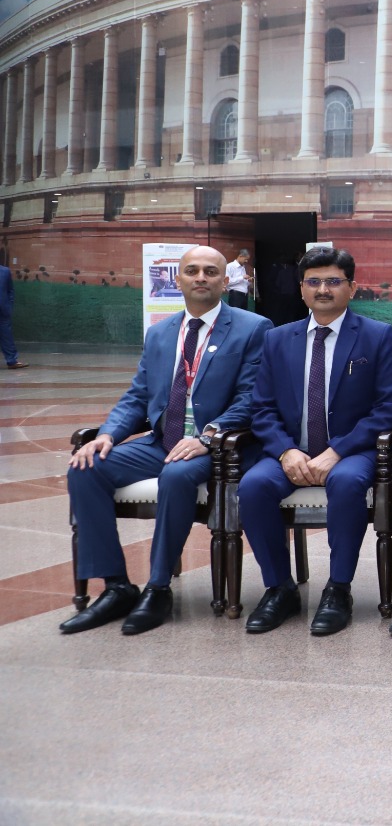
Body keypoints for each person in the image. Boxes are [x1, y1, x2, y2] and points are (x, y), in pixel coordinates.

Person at [62, 247, 270, 635]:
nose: (201, 277)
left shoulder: (253, 328)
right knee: (86, 469)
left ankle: (158, 588)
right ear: (178, 280)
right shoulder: (160, 333)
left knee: (176, 475)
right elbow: (138, 396)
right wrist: (107, 435)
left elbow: (251, 398)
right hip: (162, 441)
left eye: (210, 271)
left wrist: (208, 436)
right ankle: (117, 586)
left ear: (226, 281)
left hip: (219, 447)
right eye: (192, 271)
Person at [237, 248, 392, 636]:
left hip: (352, 450)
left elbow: (389, 407)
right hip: (290, 449)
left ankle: (338, 589)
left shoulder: (376, 336)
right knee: (254, 485)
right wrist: (286, 451)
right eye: (313, 282)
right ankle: (279, 588)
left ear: (352, 287)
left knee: (346, 483)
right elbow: (261, 407)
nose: (323, 289)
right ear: (301, 289)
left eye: (333, 281)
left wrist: (337, 451)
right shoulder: (278, 339)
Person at [0, 261, 23, 369]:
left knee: (7, 336)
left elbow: (10, 290)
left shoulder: (5, 271)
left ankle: (12, 361)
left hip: (3, 310)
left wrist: (9, 305)